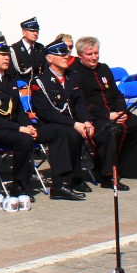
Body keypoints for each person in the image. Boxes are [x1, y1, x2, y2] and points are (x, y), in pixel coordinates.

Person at [0, 38, 80, 204]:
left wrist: (28, 125)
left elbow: (19, 110)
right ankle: (11, 186)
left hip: (18, 127)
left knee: (60, 131)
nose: (7, 57)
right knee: (23, 139)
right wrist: (20, 129)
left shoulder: (10, 79)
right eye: (2, 55)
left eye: (7, 54)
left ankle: (60, 185)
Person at [68, 36, 137, 186]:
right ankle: (107, 175)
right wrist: (108, 115)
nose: (94, 57)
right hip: (94, 116)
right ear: (80, 55)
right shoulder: (74, 73)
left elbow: (116, 93)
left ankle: (129, 169)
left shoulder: (104, 68)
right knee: (110, 131)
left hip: (115, 112)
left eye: (96, 53)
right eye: (89, 54)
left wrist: (121, 111)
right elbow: (81, 102)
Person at [31, 40, 94, 196]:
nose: (66, 57)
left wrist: (86, 121)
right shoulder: (40, 81)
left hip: (70, 123)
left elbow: (80, 103)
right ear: (50, 59)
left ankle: (75, 178)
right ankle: (61, 184)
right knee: (67, 132)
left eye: (66, 54)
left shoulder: (73, 77)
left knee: (84, 131)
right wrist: (74, 124)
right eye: (60, 55)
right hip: (48, 125)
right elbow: (46, 113)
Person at [11, 16, 47, 85]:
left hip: (37, 88)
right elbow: (11, 73)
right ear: (24, 32)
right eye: (32, 31)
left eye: (37, 31)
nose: (35, 33)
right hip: (21, 88)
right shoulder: (14, 49)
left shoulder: (41, 48)